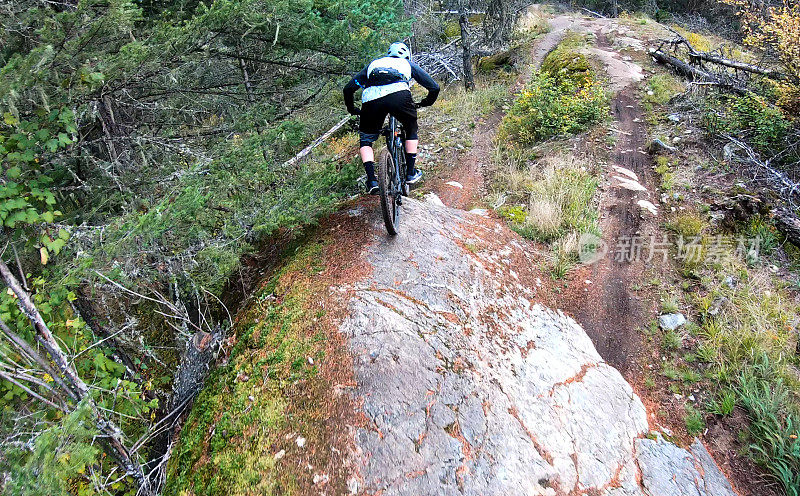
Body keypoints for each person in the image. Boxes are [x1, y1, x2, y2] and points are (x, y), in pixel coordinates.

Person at [343, 42, 440, 194]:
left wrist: (352, 109)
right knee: (411, 129)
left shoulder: (374, 64)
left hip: (371, 99)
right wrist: (425, 103)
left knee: (366, 140)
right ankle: (410, 173)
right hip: (399, 96)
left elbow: (348, 89)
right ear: (407, 55)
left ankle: (372, 180)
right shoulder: (407, 63)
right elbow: (434, 87)